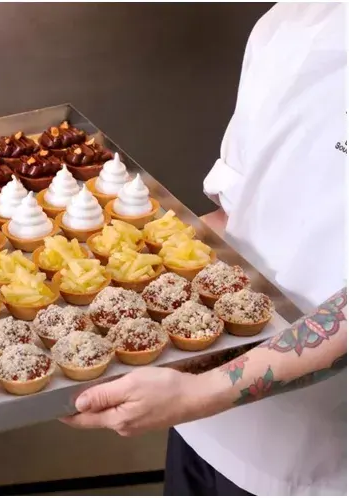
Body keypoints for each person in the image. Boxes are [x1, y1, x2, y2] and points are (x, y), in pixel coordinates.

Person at [62, 3, 346, 496]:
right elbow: (234, 218)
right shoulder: (291, 22)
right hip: (199, 426)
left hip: (318, 462)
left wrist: (203, 391)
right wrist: (88, 277)